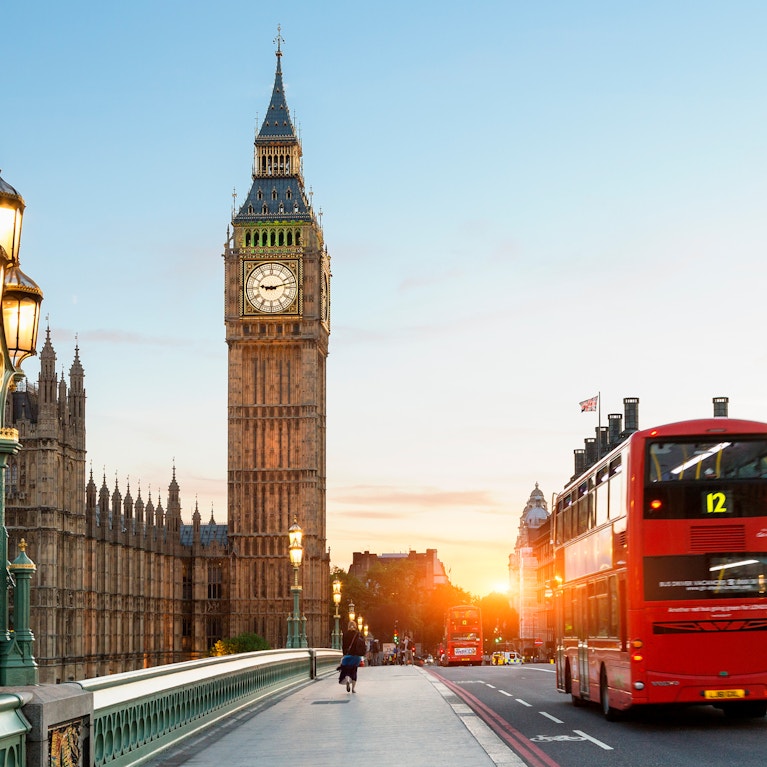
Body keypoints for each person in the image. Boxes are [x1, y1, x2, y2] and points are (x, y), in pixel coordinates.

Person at [338, 621, 365, 693]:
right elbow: (362, 644)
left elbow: (343, 646)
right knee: (354, 671)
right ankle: (353, 689)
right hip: (356, 656)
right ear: (355, 626)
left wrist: (344, 655)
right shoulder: (358, 634)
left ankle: (347, 679)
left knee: (347, 670)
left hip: (347, 655)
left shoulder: (345, 634)